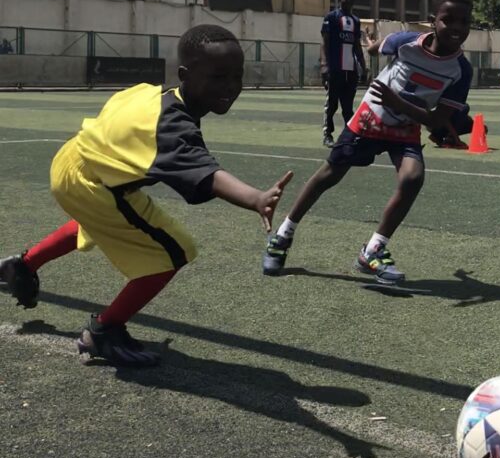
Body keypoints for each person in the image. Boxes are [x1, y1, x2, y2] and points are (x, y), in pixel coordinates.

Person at [0, 25, 292, 366]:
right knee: (175, 251)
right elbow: (207, 174)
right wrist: (256, 198)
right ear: (185, 74)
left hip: (75, 162)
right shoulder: (172, 124)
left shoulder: (154, 94)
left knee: (102, 223)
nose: (230, 86)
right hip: (92, 182)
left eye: (236, 76)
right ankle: (104, 331)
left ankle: (21, 266)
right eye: (217, 76)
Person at [262, 0, 473, 286]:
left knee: (413, 178)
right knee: (329, 174)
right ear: (432, 21)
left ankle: (373, 250)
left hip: (406, 125)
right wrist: (372, 46)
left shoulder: (461, 70)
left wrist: (398, 102)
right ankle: (283, 236)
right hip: (371, 117)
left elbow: (436, 119)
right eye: (447, 19)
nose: (455, 28)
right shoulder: (405, 42)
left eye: (463, 22)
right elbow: (378, 49)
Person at [320, 0, 367, 148]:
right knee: (332, 104)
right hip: (335, 68)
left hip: (350, 70)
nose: (347, 1)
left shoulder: (355, 20)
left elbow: (357, 45)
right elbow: (324, 43)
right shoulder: (331, 17)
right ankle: (328, 134)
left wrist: (363, 65)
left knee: (348, 106)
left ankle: (349, 135)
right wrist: (325, 65)